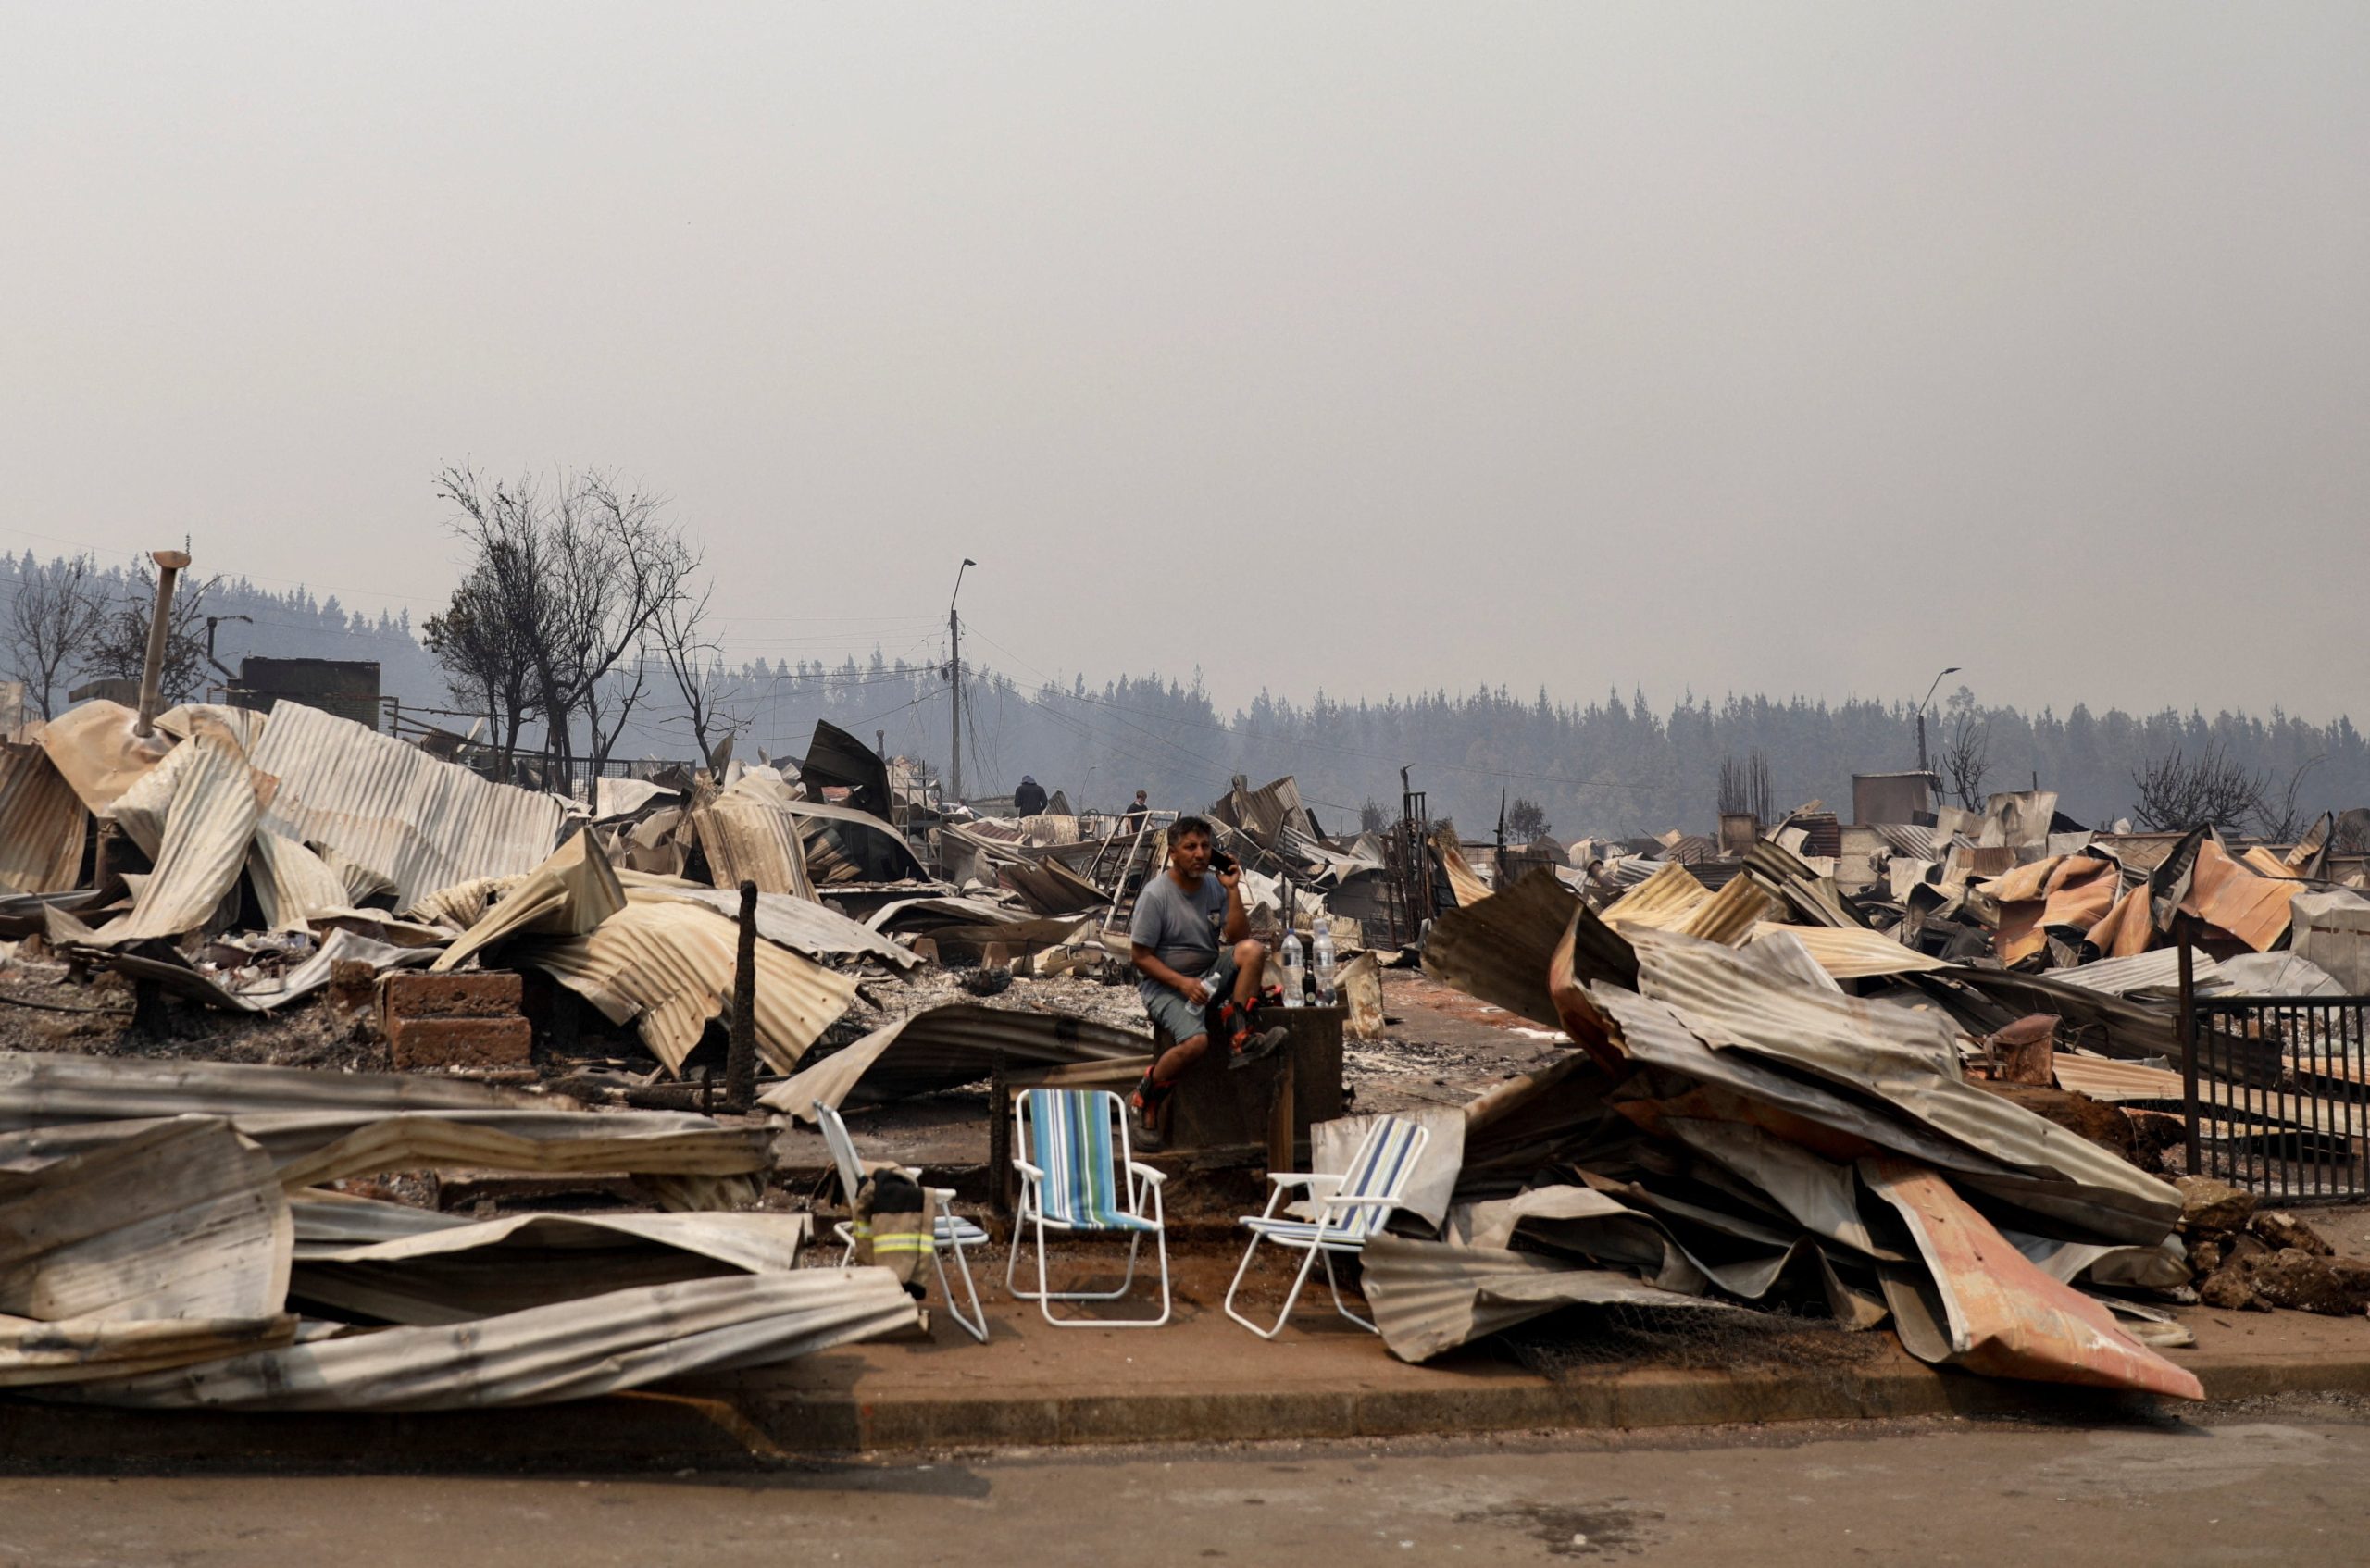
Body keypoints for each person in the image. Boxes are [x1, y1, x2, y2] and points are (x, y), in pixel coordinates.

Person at [1128, 815, 1287, 1147]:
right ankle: (1146, 1098)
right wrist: (1183, 985)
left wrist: (1232, 890)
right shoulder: (1156, 896)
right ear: (1173, 853)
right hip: (1166, 985)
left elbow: (1238, 936)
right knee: (1196, 1043)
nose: (1200, 854)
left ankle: (1239, 1035)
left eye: (1205, 846)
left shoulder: (1215, 887)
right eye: (1190, 847)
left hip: (1209, 976)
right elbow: (1140, 957)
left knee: (1253, 951)